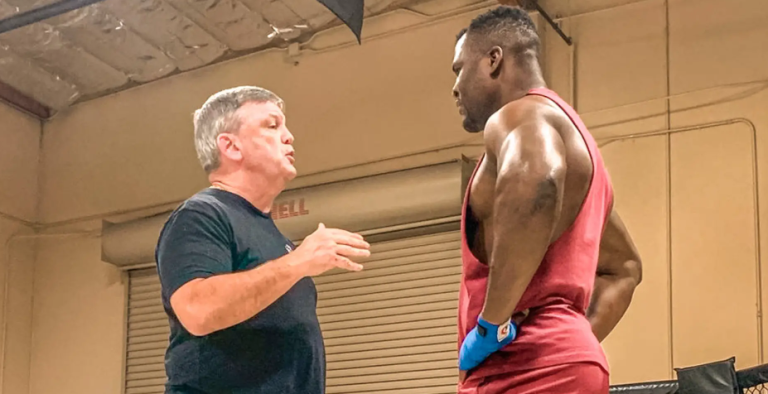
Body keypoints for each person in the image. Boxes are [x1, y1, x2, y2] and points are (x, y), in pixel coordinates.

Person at [450, 6, 643, 393]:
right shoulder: (583, 151)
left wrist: (492, 326)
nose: (455, 88)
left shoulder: (517, 117)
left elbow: (536, 180)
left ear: (493, 60)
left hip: (519, 369)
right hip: (573, 365)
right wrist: (573, 341)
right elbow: (624, 267)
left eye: (459, 70)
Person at [154, 86, 371, 394]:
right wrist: (297, 262)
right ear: (230, 146)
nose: (289, 136)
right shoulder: (201, 214)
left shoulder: (275, 237)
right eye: (272, 125)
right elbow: (198, 310)